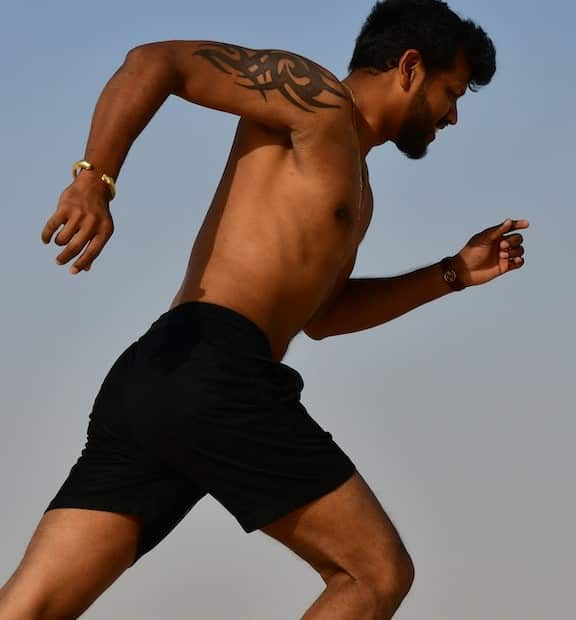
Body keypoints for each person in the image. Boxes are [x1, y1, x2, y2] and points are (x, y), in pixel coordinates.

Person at [0, 1, 523, 618]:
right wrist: (95, 179)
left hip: (160, 378)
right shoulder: (314, 99)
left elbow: (323, 317)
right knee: (374, 573)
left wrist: (453, 274)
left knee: (27, 609)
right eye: (451, 91)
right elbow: (155, 62)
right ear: (409, 66)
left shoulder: (359, 185)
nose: (453, 115)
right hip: (219, 368)